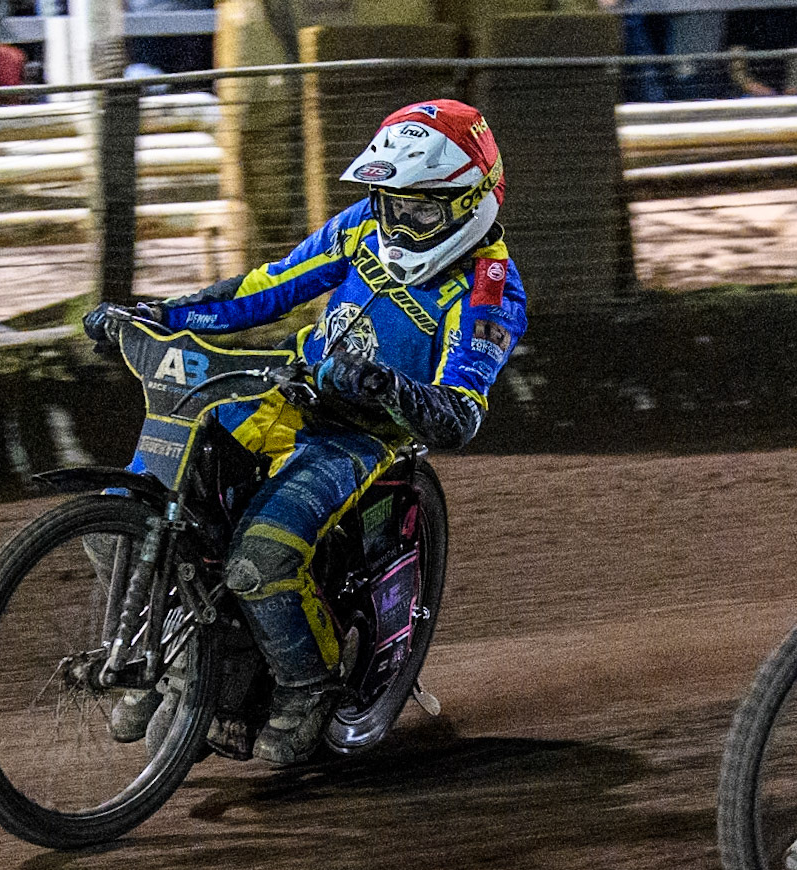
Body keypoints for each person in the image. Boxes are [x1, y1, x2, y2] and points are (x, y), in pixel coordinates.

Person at [85, 99, 527, 765]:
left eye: (417, 208)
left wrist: (380, 384)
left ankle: (305, 684)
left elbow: (460, 412)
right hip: (289, 393)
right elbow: (263, 290)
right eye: (385, 201)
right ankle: (165, 648)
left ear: (470, 203)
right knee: (122, 515)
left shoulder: (490, 288)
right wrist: (154, 314)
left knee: (259, 559)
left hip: (365, 439)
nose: (395, 221)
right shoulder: (360, 228)